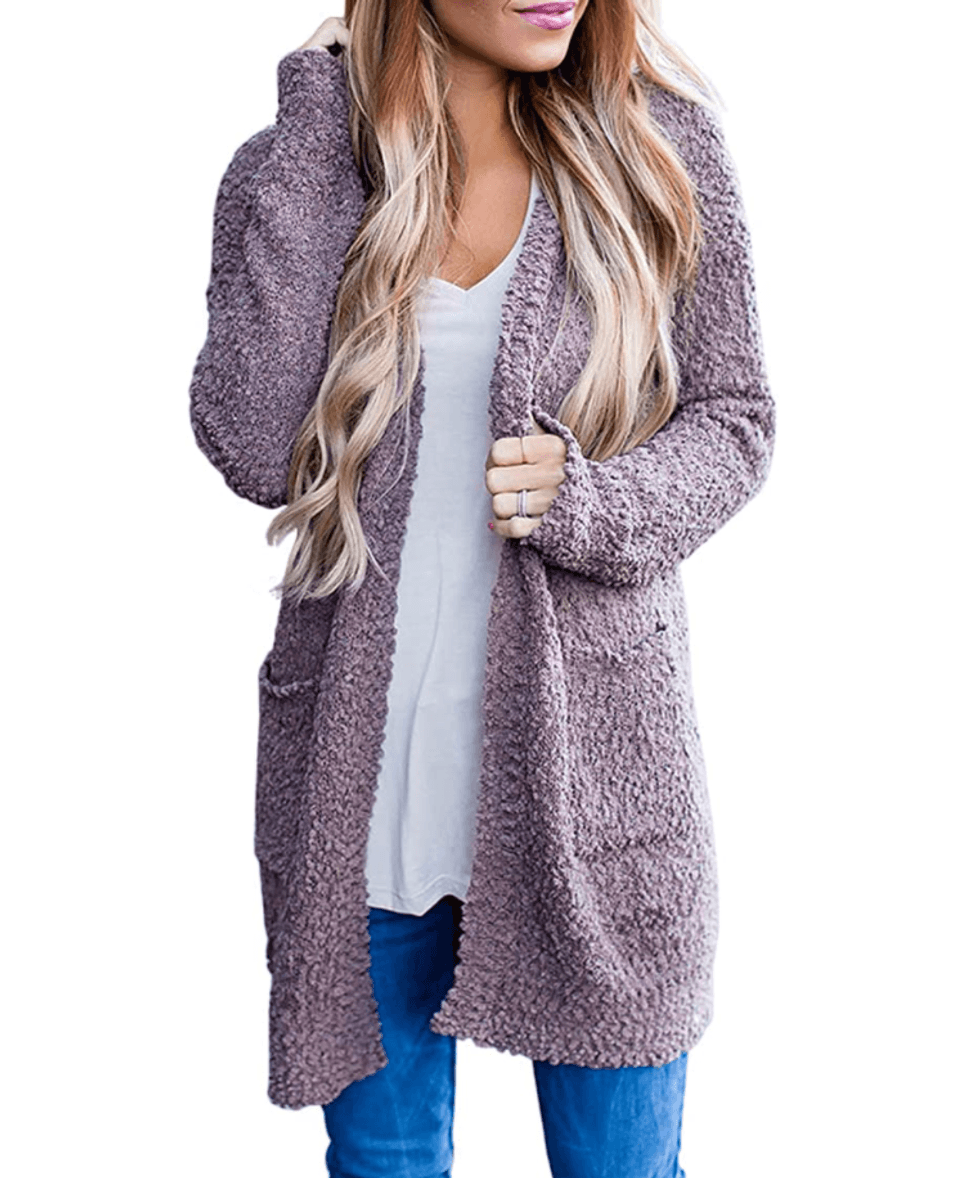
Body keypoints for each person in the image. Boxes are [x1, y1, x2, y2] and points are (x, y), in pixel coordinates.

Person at [188, 2, 775, 1174]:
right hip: (362, 797)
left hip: (595, 797)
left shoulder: (657, 149)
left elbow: (736, 421)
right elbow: (251, 439)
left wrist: (591, 502)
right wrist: (316, 120)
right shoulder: (302, 167)